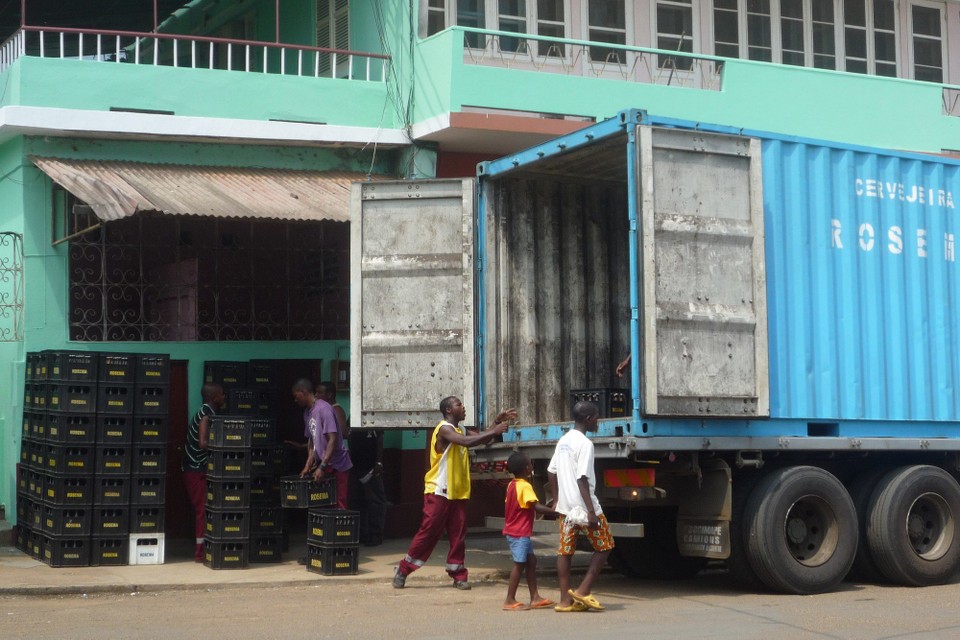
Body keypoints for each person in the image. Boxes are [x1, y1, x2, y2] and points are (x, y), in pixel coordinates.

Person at [392, 396, 517, 590]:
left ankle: (458, 575)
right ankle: (403, 569)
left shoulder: (460, 429)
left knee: (458, 535)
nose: (463, 407)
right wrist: (494, 430)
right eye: (459, 405)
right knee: (429, 532)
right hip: (438, 490)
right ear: (449, 410)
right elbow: (467, 442)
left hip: (457, 492)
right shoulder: (444, 429)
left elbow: (480, 437)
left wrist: (497, 422)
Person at [547, 401, 615, 612]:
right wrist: (591, 512)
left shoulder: (564, 440)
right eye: (596, 417)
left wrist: (557, 499)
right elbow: (582, 479)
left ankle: (564, 601)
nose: (598, 421)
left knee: (565, 551)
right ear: (588, 419)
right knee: (605, 546)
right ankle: (583, 590)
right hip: (584, 507)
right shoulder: (585, 444)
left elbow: (551, 471)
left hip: (566, 510)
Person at [501, 451, 555, 611]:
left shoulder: (512, 485)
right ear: (527, 468)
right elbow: (536, 507)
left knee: (531, 561)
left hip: (516, 531)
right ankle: (509, 599)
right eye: (531, 463)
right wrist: (556, 512)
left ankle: (535, 597)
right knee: (519, 564)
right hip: (519, 533)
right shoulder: (525, 486)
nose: (532, 465)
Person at [293, 378, 352, 510]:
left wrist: (322, 466)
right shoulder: (307, 412)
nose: (295, 400)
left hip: (337, 464)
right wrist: (308, 465)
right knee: (325, 503)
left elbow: (333, 439)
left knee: (339, 503)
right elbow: (312, 441)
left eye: (296, 396)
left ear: (303, 392)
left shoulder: (324, 409)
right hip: (324, 464)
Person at [182, 382, 225, 562]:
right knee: (202, 509)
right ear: (213, 397)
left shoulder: (209, 412)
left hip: (197, 469)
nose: (224, 397)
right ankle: (200, 552)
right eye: (222, 394)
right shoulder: (206, 414)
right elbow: (202, 443)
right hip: (195, 470)